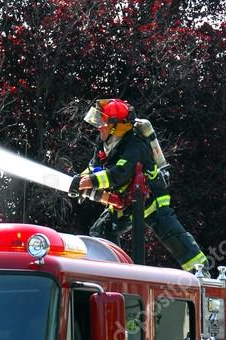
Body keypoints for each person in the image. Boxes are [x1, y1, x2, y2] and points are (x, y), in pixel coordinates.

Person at [69, 98, 207, 272]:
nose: (98, 126)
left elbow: (119, 174)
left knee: (174, 237)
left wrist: (90, 182)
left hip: (151, 200)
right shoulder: (104, 142)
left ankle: (201, 271)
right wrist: (78, 180)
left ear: (116, 126)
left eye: (102, 122)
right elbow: (92, 167)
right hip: (126, 201)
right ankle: (114, 272)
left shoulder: (135, 145)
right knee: (102, 230)